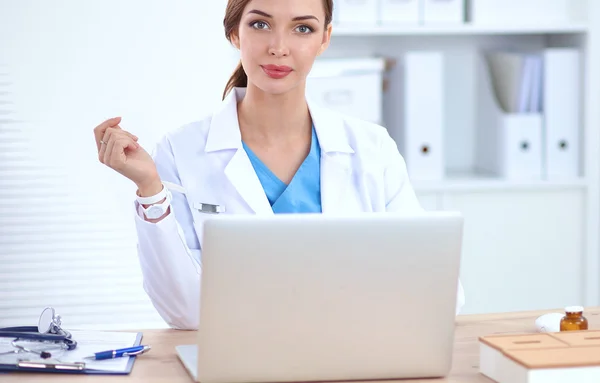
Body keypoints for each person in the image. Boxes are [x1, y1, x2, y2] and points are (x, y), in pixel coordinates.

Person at [93, 0, 465, 330]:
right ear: (234, 33)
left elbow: (439, 291)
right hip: (240, 364)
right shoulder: (180, 150)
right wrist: (150, 190)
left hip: (352, 356)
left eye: (302, 28)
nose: (278, 47)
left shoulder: (371, 149)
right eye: (260, 24)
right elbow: (186, 313)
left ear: (325, 38)